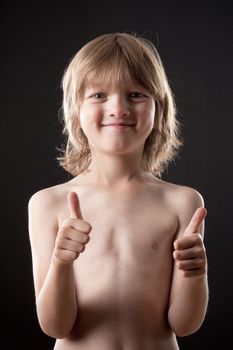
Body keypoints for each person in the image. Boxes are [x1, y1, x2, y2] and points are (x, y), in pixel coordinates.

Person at [28, 32, 209, 350]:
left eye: (136, 94)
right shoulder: (48, 203)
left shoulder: (182, 202)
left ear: (159, 109)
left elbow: (184, 324)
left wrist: (194, 272)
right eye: (98, 95)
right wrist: (61, 261)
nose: (118, 108)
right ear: (75, 111)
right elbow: (56, 325)